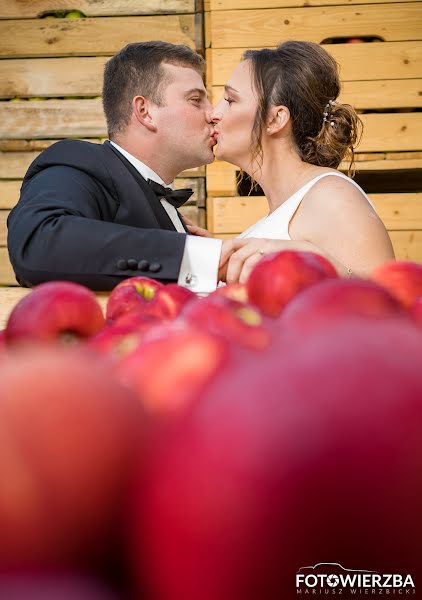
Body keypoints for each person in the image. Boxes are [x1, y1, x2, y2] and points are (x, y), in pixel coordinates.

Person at [7, 41, 222, 293]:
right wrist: (198, 254)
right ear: (145, 111)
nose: (214, 113)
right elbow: (38, 244)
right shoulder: (79, 163)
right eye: (196, 100)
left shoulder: (169, 210)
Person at [206, 41, 395, 284]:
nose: (214, 113)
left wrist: (314, 261)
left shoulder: (332, 196)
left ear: (276, 119)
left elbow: (387, 305)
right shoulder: (288, 209)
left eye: (230, 100)